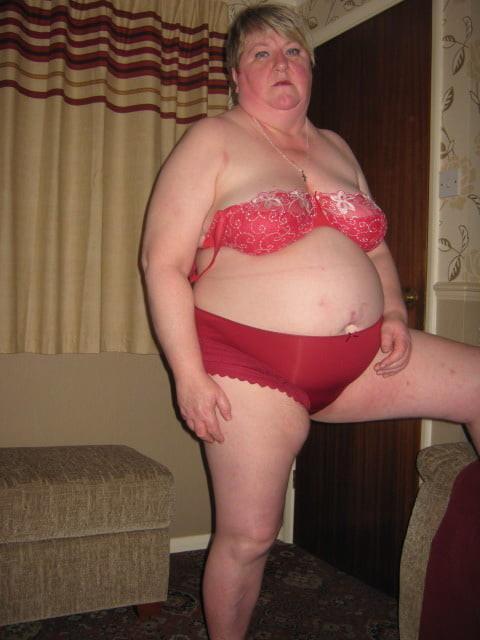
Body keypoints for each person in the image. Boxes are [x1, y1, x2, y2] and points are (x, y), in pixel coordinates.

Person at [141, 4, 480, 639]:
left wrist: (394, 311)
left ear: (311, 67)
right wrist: (188, 376)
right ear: (236, 75)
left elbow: (375, 250)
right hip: (247, 363)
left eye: (294, 51)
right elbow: (161, 264)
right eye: (261, 53)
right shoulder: (212, 139)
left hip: (360, 359)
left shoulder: (338, 147)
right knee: (250, 537)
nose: (281, 63)